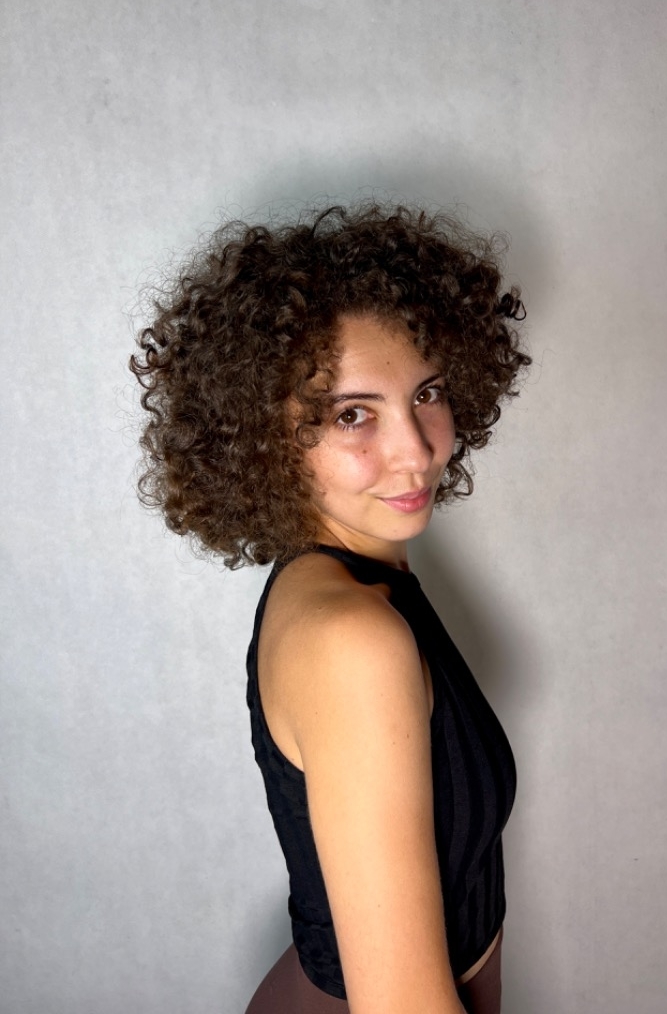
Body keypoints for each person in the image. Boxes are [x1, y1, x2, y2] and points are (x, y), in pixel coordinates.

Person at [130, 202, 530, 1014]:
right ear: (267, 437)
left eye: (427, 393)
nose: (417, 450)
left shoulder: (351, 584)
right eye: (354, 415)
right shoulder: (353, 640)